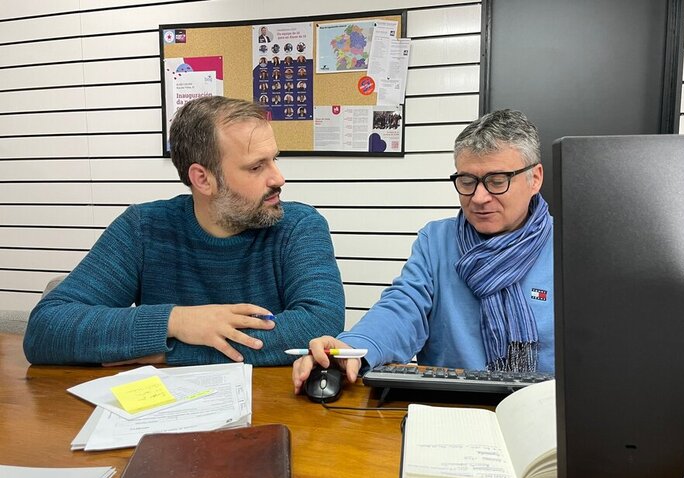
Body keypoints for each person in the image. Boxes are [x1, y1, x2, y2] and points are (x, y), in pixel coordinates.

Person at [24, 96, 345, 366]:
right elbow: (47, 328)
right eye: (256, 166)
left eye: (274, 159)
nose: (278, 178)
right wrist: (177, 321)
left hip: (270, 413)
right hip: (163, 419)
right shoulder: (143, 228)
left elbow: (316, 324)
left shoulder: (298, 227)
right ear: (203, 179)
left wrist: (161, 351)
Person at [293, 109, 553, 393]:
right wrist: (351, 347)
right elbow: (401, 309)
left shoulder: (569, 248)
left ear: (535, 178)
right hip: (450, 407)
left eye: (497, 181)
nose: (479, 198)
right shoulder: (437, 241)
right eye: (467, 181)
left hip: (543, 411)